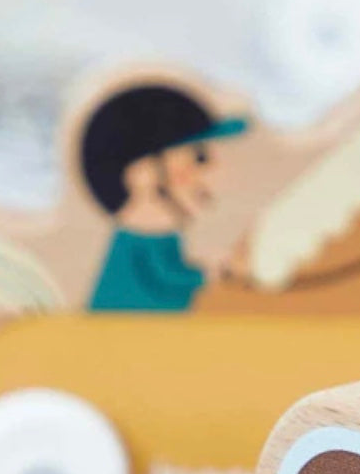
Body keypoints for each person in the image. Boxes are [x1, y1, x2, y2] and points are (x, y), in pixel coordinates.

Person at [79, 83, 248, 312]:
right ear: (144, 173)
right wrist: (212, 272)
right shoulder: (141, 235)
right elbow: (164, 279)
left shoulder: (162, 231)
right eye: (199, 158)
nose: (212, 172)